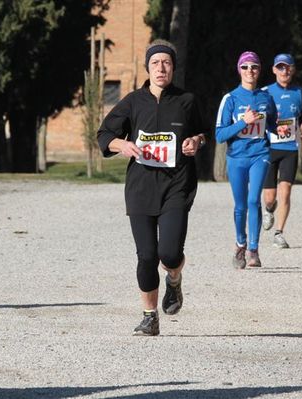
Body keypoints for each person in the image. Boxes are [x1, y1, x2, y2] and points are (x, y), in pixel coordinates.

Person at [97, 40, 206, 336]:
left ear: (173, 67)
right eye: (155, 62)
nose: (161, 67)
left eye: (166, 63)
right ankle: (149, 317)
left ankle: (174, 278)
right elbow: (104, 134)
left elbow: (202, 132)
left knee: (169, 253)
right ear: (148, 68)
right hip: (141, 187)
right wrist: (121, 144)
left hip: (177, 185)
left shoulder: (187, 100)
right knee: (146, 256)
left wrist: (196, 142)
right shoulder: (133, 101)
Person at [216, 51, 276, 268]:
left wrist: (291, 130)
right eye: (245, 67)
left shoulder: (266, 98)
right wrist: (243, 122)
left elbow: (272, 125)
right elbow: (220, 135)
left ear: (260, 70)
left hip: (260, 154)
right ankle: (240, 242)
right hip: (236, 157)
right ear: (239, 70)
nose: (250, 71)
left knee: (253, 201)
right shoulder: (230, 99)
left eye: (254, 67)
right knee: (241, 205)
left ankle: (253, 248)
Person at [260, 53, 302, 248]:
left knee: (286, 192)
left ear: (293, 70)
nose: (284, 71)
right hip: (269, 147)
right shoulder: (265, 92)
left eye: (288, 67)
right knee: (270, 197)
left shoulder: (300, 93)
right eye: (280, 67)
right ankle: (269, 209)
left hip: (290, 147)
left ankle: (279, 233)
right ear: (274, 70)